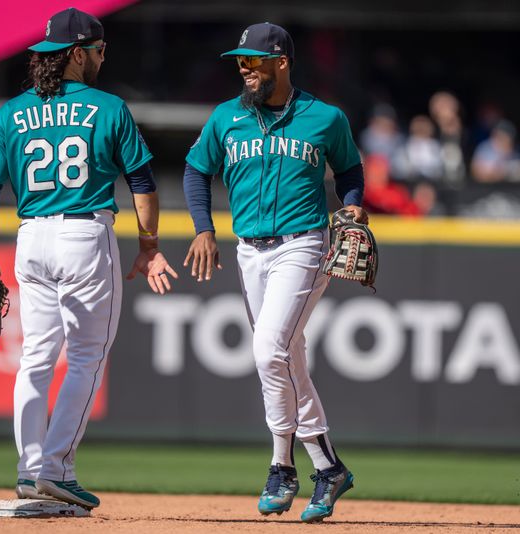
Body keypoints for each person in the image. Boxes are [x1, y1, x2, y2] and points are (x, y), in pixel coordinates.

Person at [0, 7, 177, 510]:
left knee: (36, 358)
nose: (103, 57)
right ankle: (56, 469)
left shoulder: (11, 112)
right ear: (79, 54)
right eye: (100, 49)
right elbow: (143, 184)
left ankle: (27, 469)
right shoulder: (108, 108)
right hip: (85, 234)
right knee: (87, 356)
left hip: (30, 239)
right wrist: (148, 246)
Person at [182, 23, 367, 523]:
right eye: (239, 60)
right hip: (249, 251)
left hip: (303, 244)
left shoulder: (324, 117)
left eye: (254, 60)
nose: (244, 67)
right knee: (289, 357)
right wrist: (203, 228)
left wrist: (351, 205)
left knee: (269, 351)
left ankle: (281, 465)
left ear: (281, 61)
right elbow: (196, 169)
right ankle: (328, 468)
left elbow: (349, 169)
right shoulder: (227, 118)